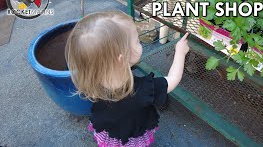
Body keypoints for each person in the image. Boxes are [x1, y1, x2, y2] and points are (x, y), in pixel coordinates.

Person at [65, 11, 189, 147]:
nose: (139, 42)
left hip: (109, 132)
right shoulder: (144, 89)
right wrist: (180, 52)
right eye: (137, 41)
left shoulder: (91, 80)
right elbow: (173, 78)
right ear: (121, 58)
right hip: (133, 136)